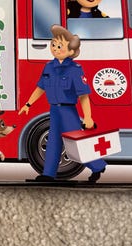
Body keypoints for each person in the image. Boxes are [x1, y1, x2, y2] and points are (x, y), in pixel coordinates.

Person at [19, 25, 106, 182]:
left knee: (76, 142)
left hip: (68, 112)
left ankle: (98, 166)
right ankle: (48, 174)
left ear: (71, 52)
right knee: (53, 141)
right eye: (53, 44)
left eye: (60, 46)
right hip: (54, 110)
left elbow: (83, 96)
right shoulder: (48, 67)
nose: (55, 48)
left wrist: (88, 117)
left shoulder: (75, 69)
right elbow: (40, 87)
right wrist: (28, 104)